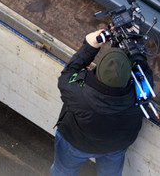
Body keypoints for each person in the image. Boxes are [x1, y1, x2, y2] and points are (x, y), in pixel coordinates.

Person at [51, 30, 153, 175]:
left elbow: (67, 75)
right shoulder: (141, 91)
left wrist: (89, 46)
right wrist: (135, 42)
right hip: (116, 145)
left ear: (98, 70)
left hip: (76, 142)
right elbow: (144, 69)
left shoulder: (78, 93)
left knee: (62, 172)